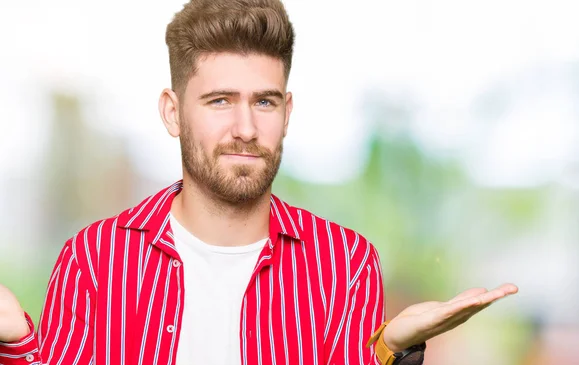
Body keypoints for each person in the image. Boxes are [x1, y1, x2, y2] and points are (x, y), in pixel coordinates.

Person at [0, 0, 518, 364]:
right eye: (220, 100)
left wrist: (390, 349)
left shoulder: (346, 264)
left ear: (286, 111)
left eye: (264, 101)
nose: (246, 128)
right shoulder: (94, 258)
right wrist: (19, 338)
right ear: (173, 112)